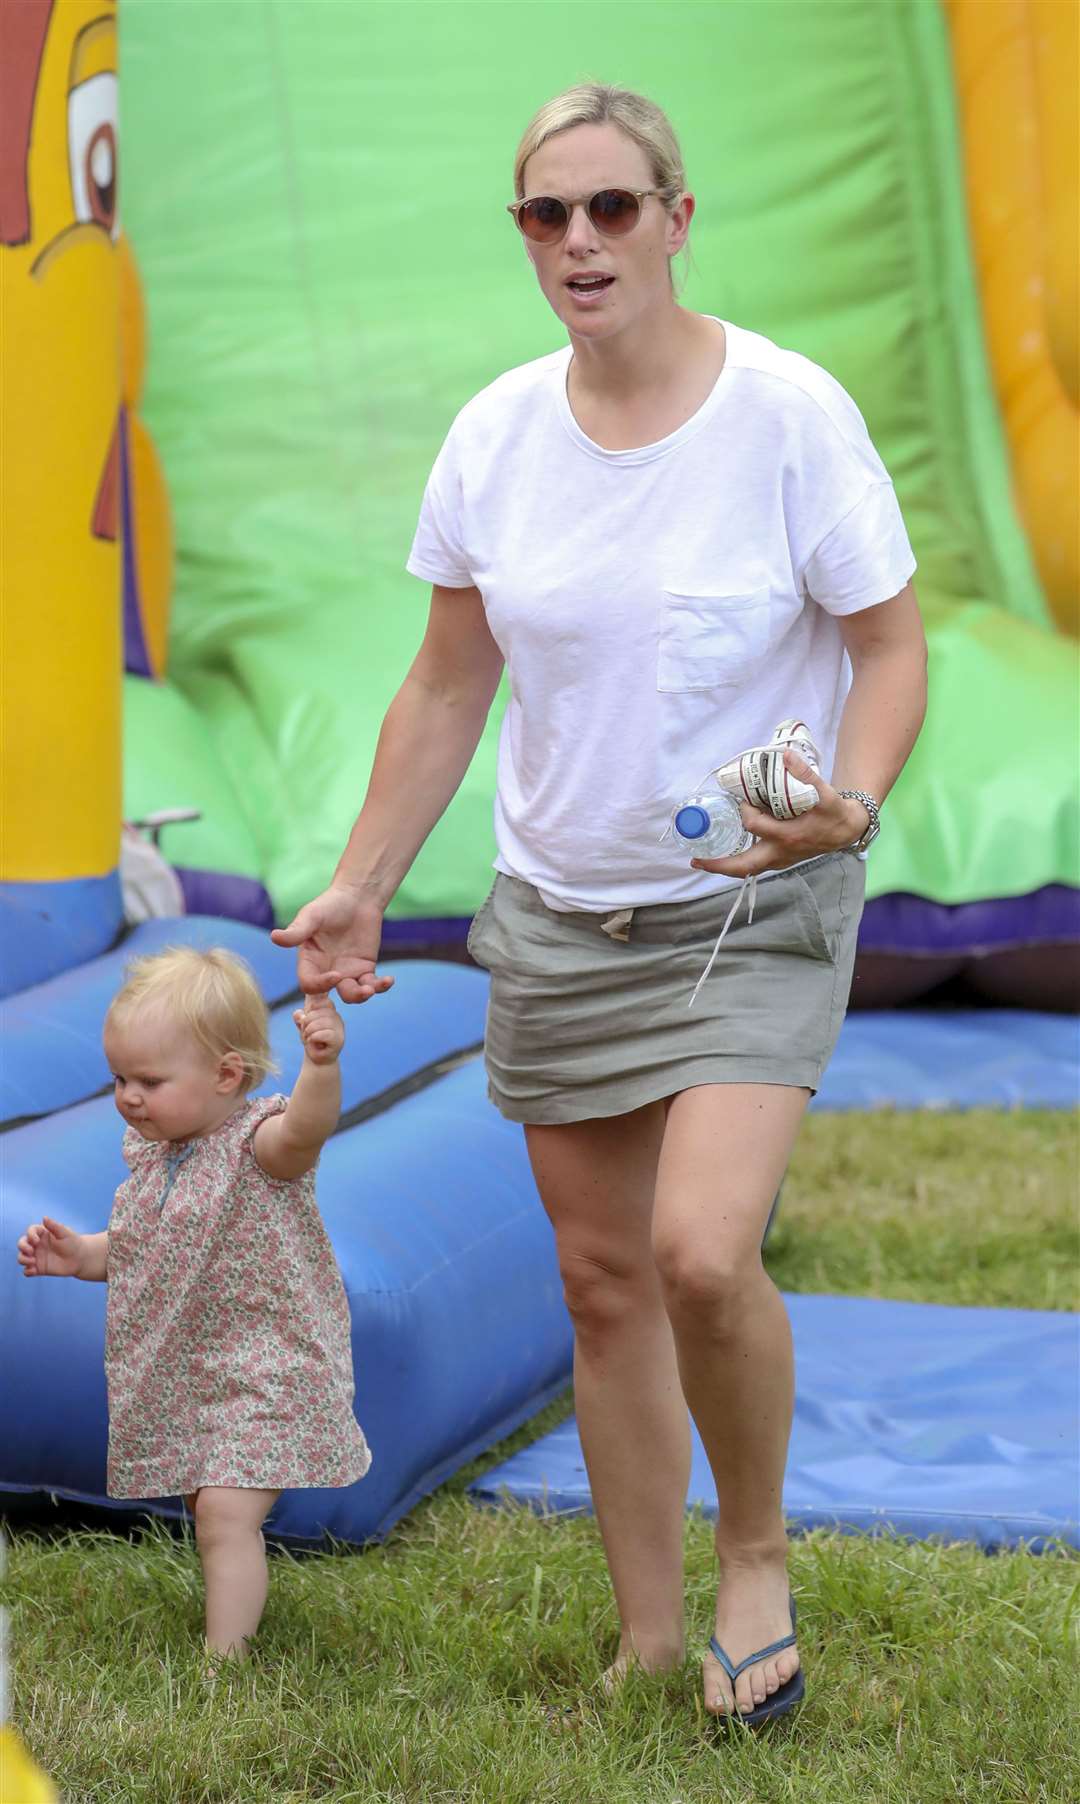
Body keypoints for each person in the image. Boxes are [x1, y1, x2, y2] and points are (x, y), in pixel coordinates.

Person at [272, 82, 928, 1723]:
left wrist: (850, 804)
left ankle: (757, 1556)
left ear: (677, 216)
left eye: (612, 207)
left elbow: (890, 643)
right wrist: (357, 883)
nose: (579, 241)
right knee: (604, 1279)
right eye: (546, 215)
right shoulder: (496, 435)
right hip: (563, 910)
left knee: (703, 1253)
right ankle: (648, 1635)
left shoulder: (785, 412)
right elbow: (444, 686)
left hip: (749, 903)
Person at [16, 946, 370, 1660]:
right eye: (119, 1078)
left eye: (149, 1079)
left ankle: (224, 1665)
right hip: (194, 1368)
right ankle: (229, 1620)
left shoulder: (257, 1147)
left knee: (224, 1515)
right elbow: (146, 1246)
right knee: (209, 1507)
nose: (128, 1096)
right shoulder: (153, 1156)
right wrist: (81, 1255)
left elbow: (306, 1132)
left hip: (266, 1363)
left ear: (225, 1075)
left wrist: (321, 1068)